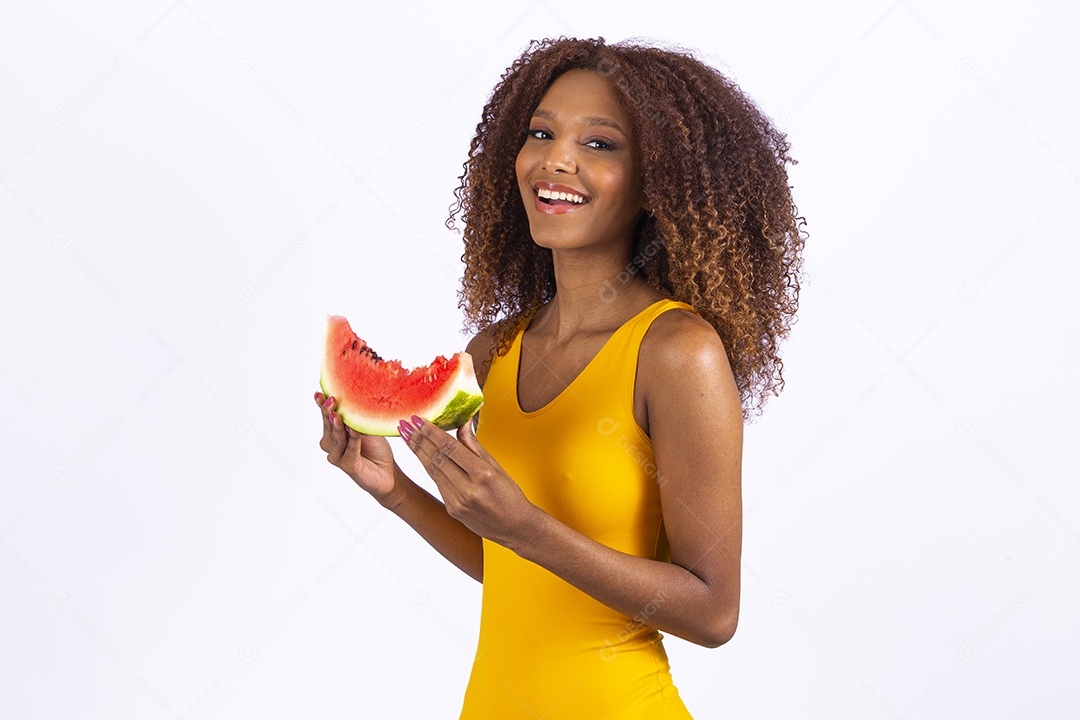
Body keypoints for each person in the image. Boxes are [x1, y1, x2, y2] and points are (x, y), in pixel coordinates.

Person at [315, 37, 804, 719]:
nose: (556, 159)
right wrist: (395, 490)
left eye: (600, 144)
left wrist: (529, 527)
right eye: (540, 132)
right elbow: (515, 569)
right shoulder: (497, 350)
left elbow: (714, 612)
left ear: (656, 181)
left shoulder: (675, 351)